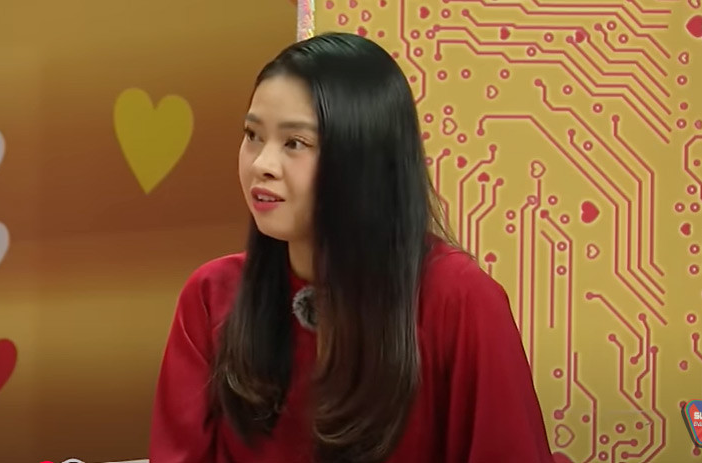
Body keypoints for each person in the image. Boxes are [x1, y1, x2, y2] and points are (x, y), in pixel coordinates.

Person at [149, 32, 553, 463]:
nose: (261, 164)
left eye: (294, 143)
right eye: (252, 135)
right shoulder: (211, 296)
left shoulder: (460, 301)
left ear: (365, 160)